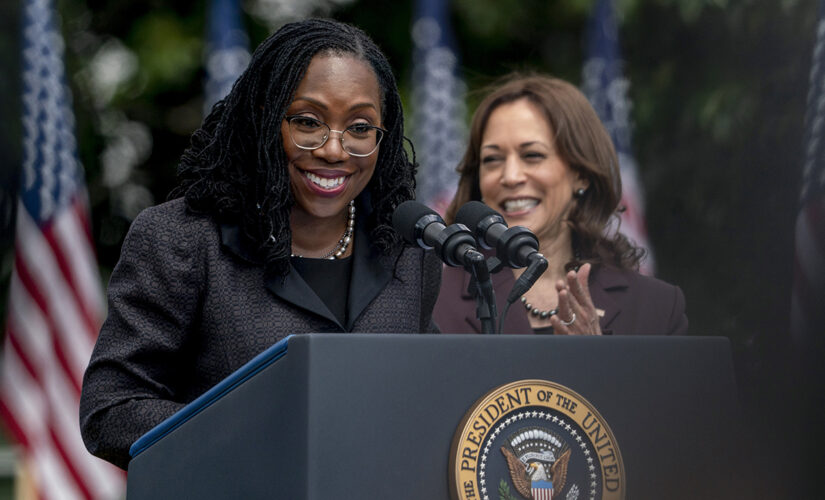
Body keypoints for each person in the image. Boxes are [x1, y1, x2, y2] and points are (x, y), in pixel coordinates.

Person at [80, 18, 441, 470]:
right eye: (308, 121)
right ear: (265, 120)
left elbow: (429, 398)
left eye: (360, 127)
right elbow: (111, 410)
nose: (334, 148)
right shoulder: (182, 240)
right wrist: (256, 435)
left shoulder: (407, 253)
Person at [433, 74, 687, 335]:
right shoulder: (432, 301)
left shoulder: (656, 308)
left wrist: (599, 360)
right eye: (492, 160)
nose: (510, 177)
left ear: (581, 173)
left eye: (532, 155)